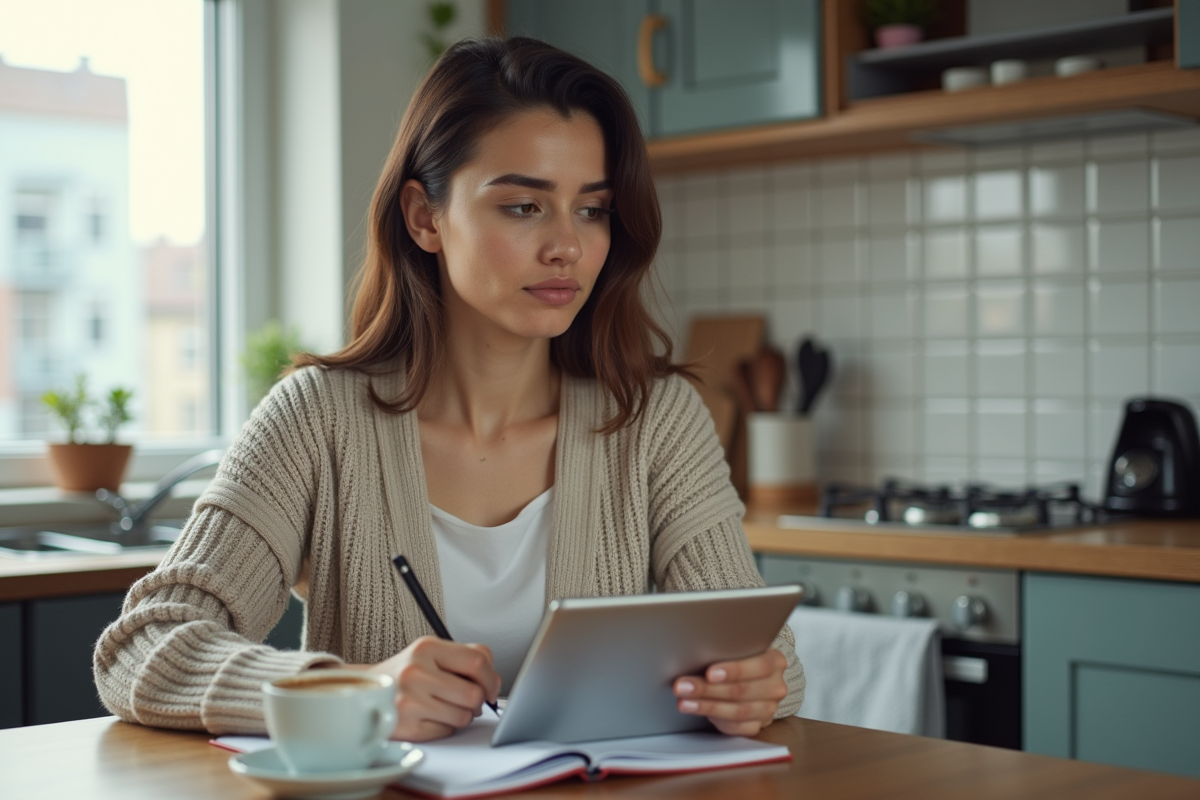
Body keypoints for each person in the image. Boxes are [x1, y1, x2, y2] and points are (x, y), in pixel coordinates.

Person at [94, 36, 804, 743]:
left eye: (592, 210)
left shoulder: (655, 419)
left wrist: (752, 684)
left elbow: (769, 655)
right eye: (523, 206)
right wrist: (353, 694)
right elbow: (142, 649)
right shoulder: (317, 417)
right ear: (424, 217)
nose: (567, 246)